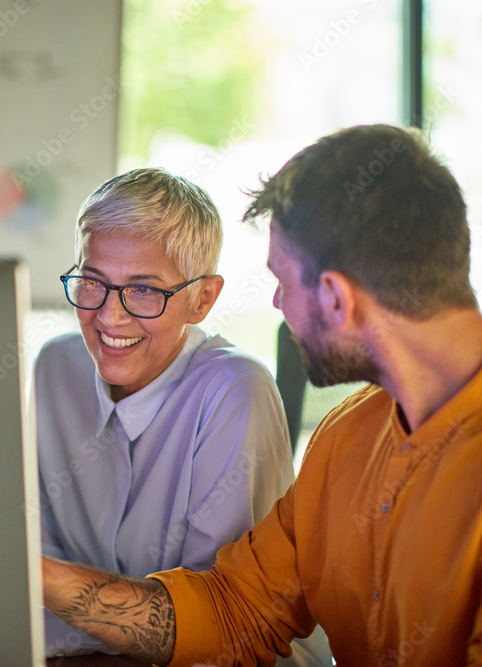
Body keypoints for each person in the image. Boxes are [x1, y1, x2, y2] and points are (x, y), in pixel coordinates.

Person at [40, 124, 482, 666]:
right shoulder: (348, 435)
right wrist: (37, 575)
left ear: (337, 298)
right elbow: (233, 612)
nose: (275, 306)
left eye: (281, 282)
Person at [34, 167, 326, 660]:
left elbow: (219, 631)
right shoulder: (56, 367)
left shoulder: (235, 392)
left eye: (144, 289)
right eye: (92, 281)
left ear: (202, 299)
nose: (109, 315)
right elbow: (36, 564)